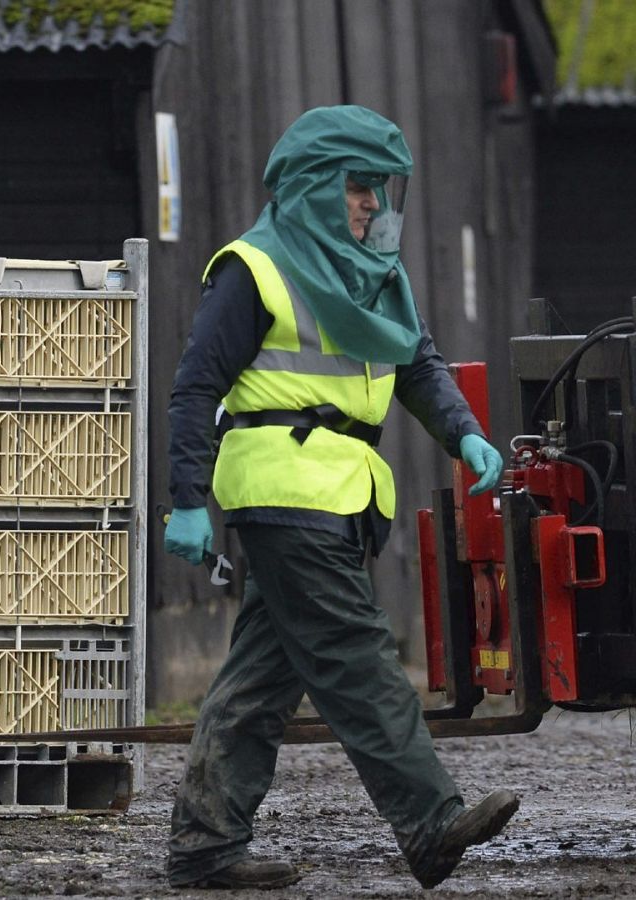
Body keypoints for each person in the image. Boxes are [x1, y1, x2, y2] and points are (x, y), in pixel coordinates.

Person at [162, 105, 517, 890]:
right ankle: (429, 822)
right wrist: (185, 498)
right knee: (358, 653)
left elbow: (418, 365)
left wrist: (464, 433)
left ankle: (204, 842)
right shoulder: (253, 268)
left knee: (263, 675)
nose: (373, 205)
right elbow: (195, 390)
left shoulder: (372, 276)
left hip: (344, 495)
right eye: (359, 188)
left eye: (382, 191)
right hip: (282, 491)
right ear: (318, 187)